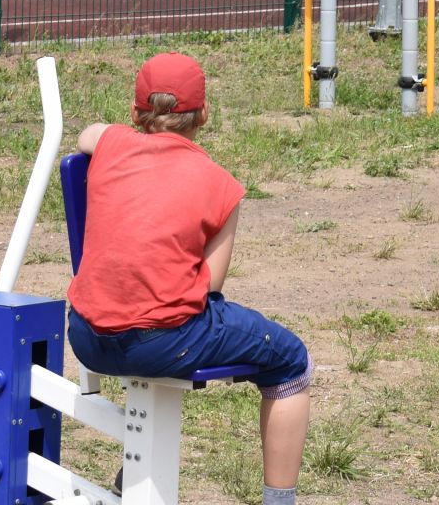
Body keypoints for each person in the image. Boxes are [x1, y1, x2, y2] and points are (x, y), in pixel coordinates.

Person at [67, 53, 312, 505]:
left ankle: (138, 466)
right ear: (205, 114)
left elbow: (87, 134)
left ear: (135, 113)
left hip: (86, 335)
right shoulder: (220, 184)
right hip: (165, 341)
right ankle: (280, 501)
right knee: (291, 360)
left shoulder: (112, 144)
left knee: (166, 322)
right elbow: (211, 285)